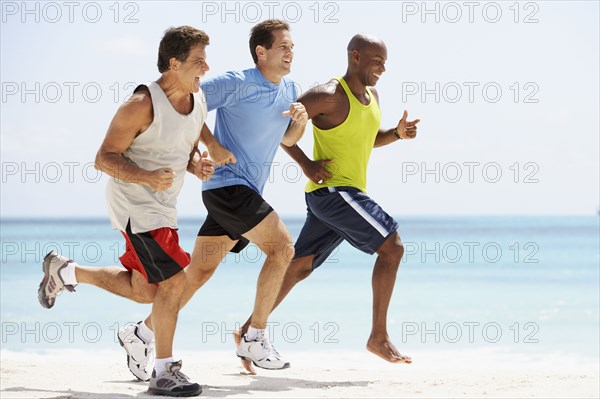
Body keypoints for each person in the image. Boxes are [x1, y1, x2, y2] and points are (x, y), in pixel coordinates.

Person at [116, 19, 308, 374]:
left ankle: (142, 333)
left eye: (292, 47)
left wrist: (300, 121)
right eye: (283, 47)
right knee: (282, 248)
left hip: (243, 192)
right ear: (260, 52)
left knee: (199, 272)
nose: (290, 53)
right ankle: (255, 335)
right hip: (228, 186)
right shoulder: (238, 82)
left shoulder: (291, 88)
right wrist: (212, 144)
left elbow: (288, 140)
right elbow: (188, 101)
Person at [37, 26, 216, 397]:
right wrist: (147, 177)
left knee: (145, 290)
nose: (206, 67)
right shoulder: (141, 103)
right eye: (198, 60)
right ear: (173, 63)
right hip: (135, 206)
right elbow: (103, 158)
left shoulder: (196, 101)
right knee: (174, 282)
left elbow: (182, 144)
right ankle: (165, 371)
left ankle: (66, 271)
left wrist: (195, 165)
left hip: (164, 207)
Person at [236, 33, 420, 373]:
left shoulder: (372, 96)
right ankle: (378, 337)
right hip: (334, 192)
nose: (383, 68)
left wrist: (396, 133)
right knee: (392, 247)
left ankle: (248, 331)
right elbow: (280, 125)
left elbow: (366, 140)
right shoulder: (328, 94)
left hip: (338, 196)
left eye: (385, 61)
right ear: (355, 57)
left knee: (300, 266)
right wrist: (306, 163)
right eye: (377, 60)